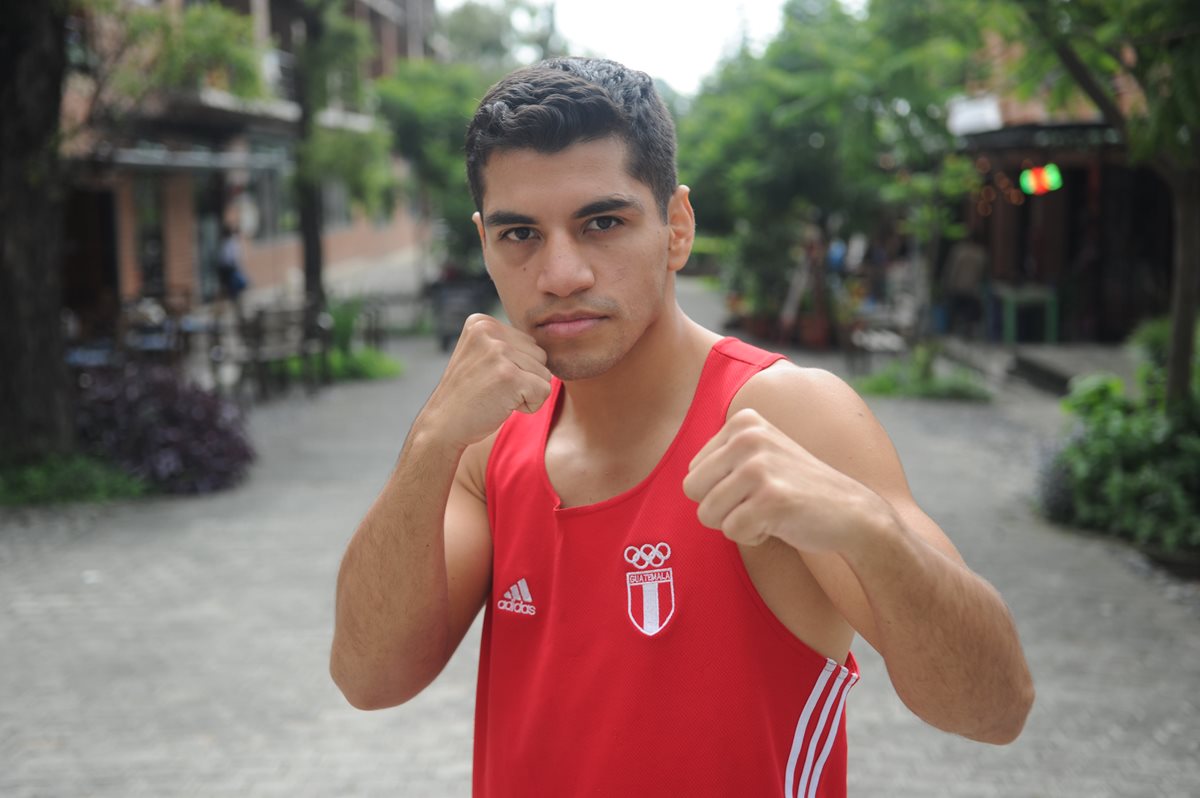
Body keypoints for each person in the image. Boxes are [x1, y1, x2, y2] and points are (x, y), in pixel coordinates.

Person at [330, 57, 1034, 797]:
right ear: (484, 242)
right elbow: (369, 677)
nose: (561, 272)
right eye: (520, 234)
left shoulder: (781, 415)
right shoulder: (485, 441)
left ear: (677, 227)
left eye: (603, 223)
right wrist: (430, 439)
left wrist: (866, 527)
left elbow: (993, 709)